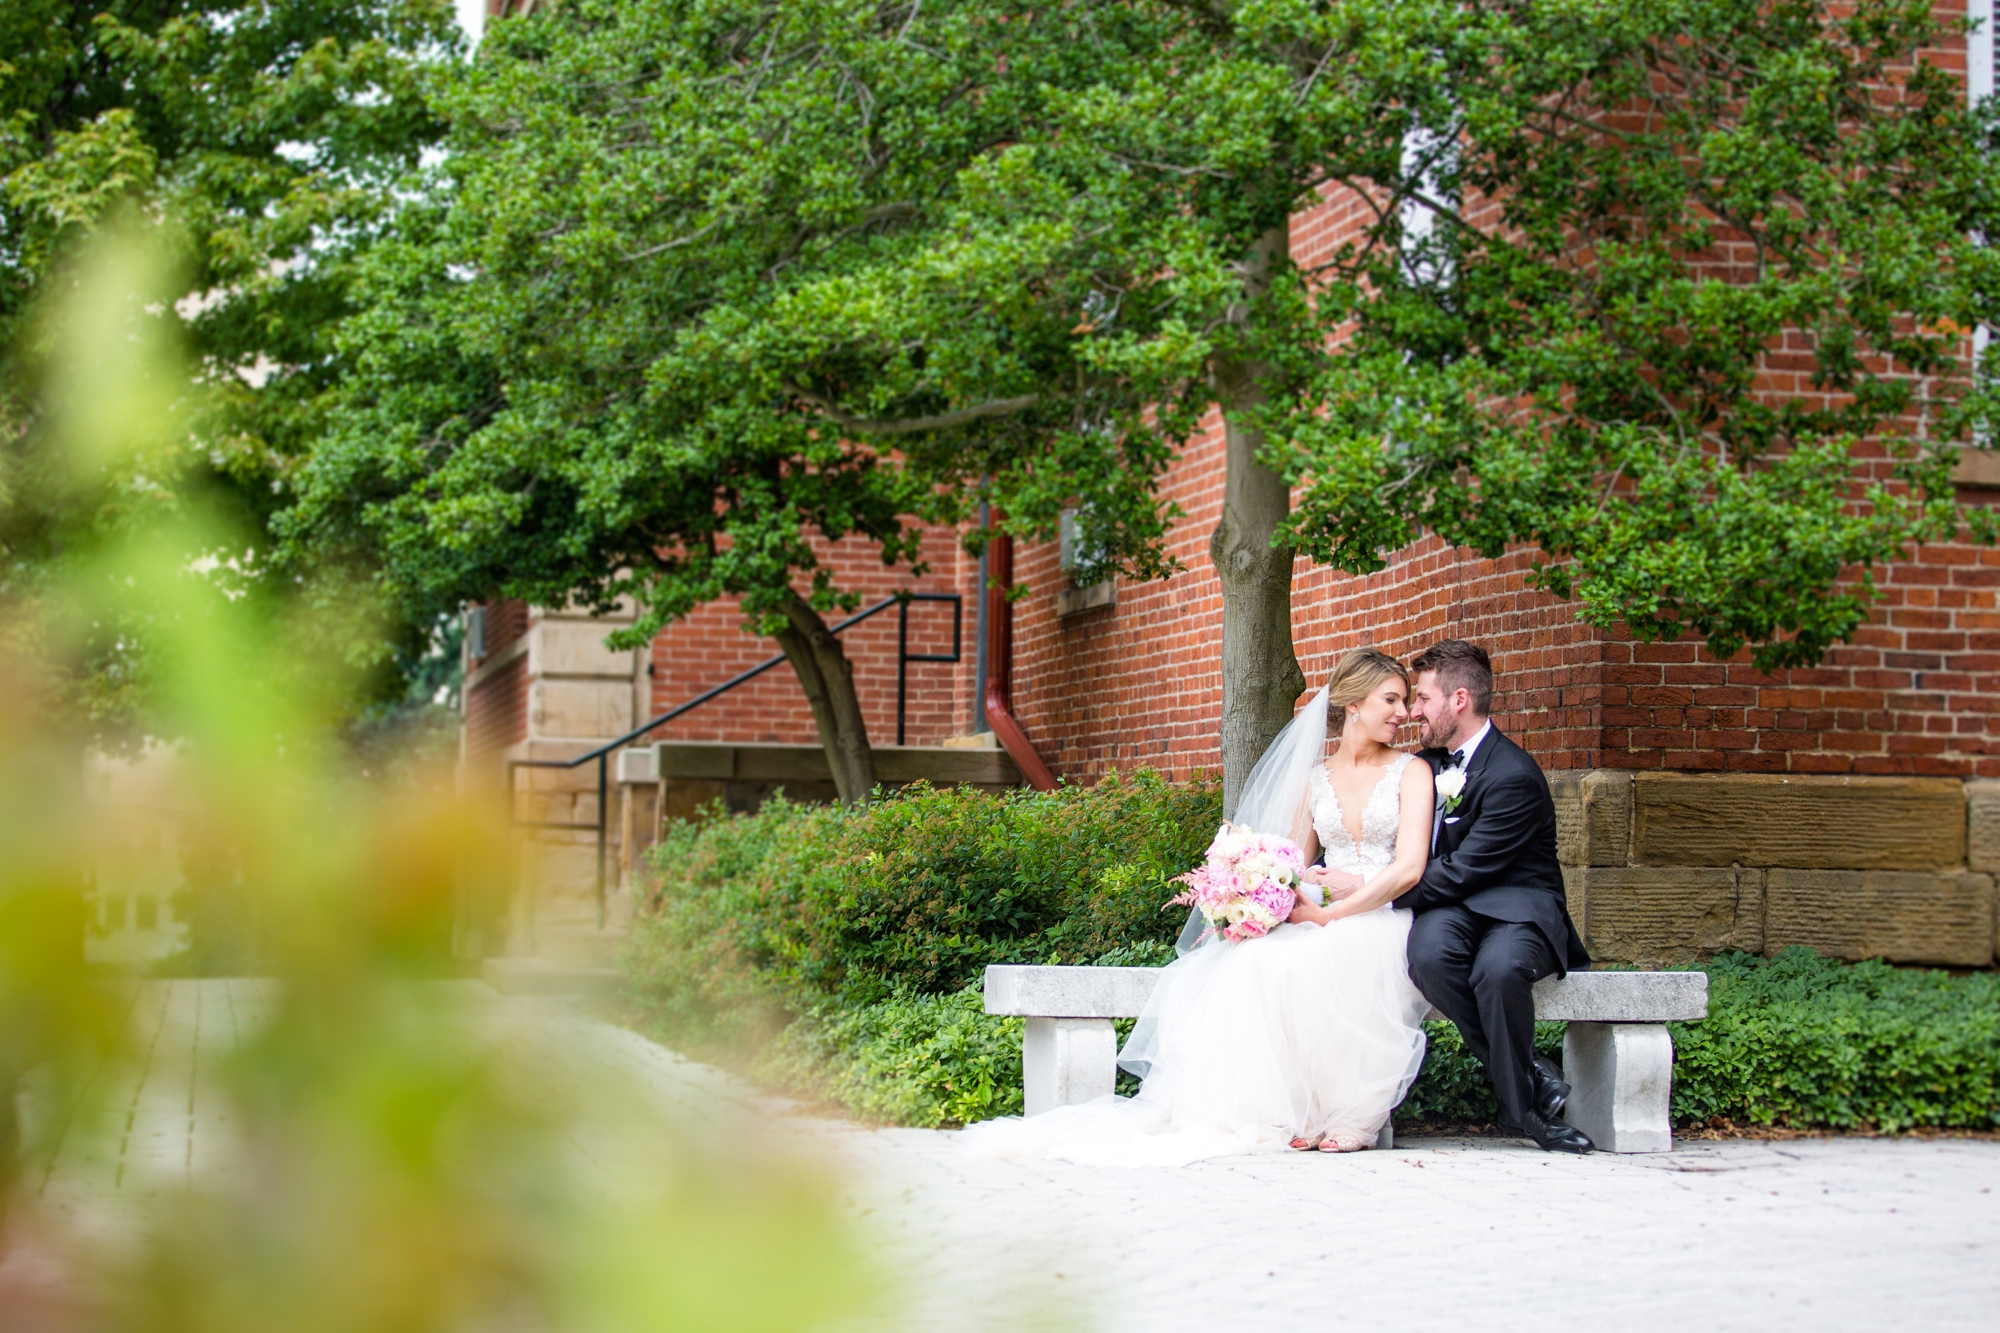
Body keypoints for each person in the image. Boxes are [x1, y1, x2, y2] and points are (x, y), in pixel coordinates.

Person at [959, 648, 1434, 1167]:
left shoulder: (1412, 773)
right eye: (1392, 699)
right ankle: (1291, 1111)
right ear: (1353, 703)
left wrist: (1333, 910)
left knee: (1345, 953)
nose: (1403, 713)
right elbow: (1293, 862)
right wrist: (1258, 892)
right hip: (1320, 912)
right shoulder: (1316, 779)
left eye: (1405, 702)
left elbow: (1409, 869)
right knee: (1257, 962)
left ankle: (1348, 1116)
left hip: (1380, 914)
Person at [1393, 639, 1595, 1154]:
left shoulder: (1514, 775)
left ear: (1458, 700)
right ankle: (1528, 1072)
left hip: (1516, 905)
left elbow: (1464, 869)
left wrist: (1381, 893)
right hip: (1454, 908)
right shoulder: (1427, 764)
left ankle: (1524, 1114)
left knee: (1498, 971)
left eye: (1422, 698)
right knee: (1428, 958)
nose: (1414, 710)